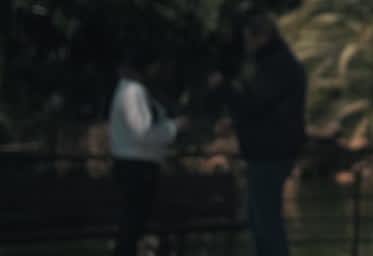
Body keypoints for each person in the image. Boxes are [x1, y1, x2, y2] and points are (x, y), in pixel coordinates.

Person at [210, 15, 307, 256]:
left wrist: (223, 88)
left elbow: (253, 103)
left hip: (269, 152)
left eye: (248, 39)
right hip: (269, 150)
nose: (246, 46)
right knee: (260, 220)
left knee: (267, 223)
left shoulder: (277, 65)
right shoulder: (277, 64)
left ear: (261, 36)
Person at [109, 46, 187, 256]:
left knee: (135, 225)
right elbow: (143, 133)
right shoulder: (132, 91)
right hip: (137, 167)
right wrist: (174, 127)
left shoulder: (135, 90)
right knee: (132, 226)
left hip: (140, 166)